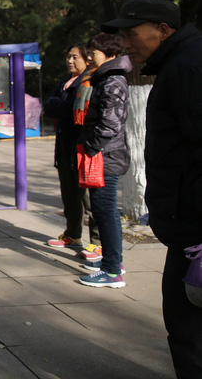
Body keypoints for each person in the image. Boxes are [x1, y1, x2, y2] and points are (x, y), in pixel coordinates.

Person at [102, 0, 202, 377]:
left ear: (162, 30)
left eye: (131, 34)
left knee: (189, 333)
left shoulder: (189, 67)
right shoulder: (180, 64)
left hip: (194, 228)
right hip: (185, 225)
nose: (126, 43)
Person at [75, 33, 131, 288]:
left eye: (94, 53)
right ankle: (111, 261)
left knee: (105, 211)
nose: (89, 57)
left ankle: (111, 271)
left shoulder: (112, 81)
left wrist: (90, 146)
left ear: (109, 54)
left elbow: (110, 124)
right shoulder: (106, 78)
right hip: (104, 154)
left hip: (105, 155)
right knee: (102, 210)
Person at [43, 43, 99, 250]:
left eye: (75, 57)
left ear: (86, 59)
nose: (70, 61)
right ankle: (73, 234)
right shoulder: (65, 82)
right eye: (68, 56)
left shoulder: (88, 82)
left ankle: (98, 243)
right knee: (69, 194)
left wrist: (60, 106)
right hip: (64, 148)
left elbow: (73, 110)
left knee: (89, 199)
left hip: (82, 147)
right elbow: (49, 106)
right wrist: (61, 106)